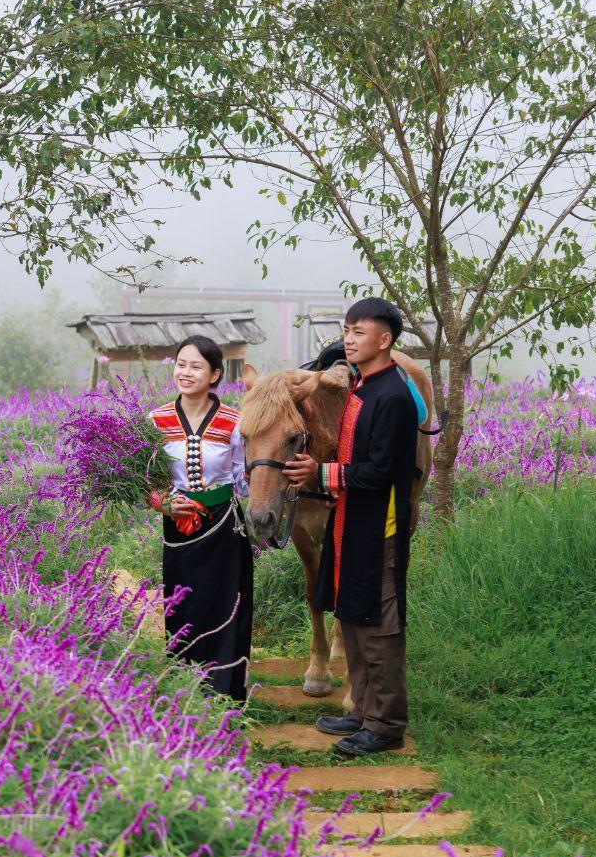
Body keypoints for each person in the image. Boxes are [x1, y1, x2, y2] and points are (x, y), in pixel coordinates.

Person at [281, 299, 421, 756]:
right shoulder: (361, 389)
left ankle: (385, 725)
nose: (349, 338)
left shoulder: (394, 397)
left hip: (379, 524)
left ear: (385, 340)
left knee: (379, 625)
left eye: (359, 332)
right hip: (351, 520)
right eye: (346, 330)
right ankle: (360, 709)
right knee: (354, 616)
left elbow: (379, 471)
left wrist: (319, 474)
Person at [145, 335, 255, 702]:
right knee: (182, 604)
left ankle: (224, 693)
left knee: (226, 604)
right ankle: (184, 689)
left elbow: (243, 477)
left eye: (196, 366)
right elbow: (145, 480)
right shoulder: (155, 420)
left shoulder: (234, 421)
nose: (186, 373)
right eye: (181, 364)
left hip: (224, 525)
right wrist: (163, 504)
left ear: (215, 374)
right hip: (178, 527)